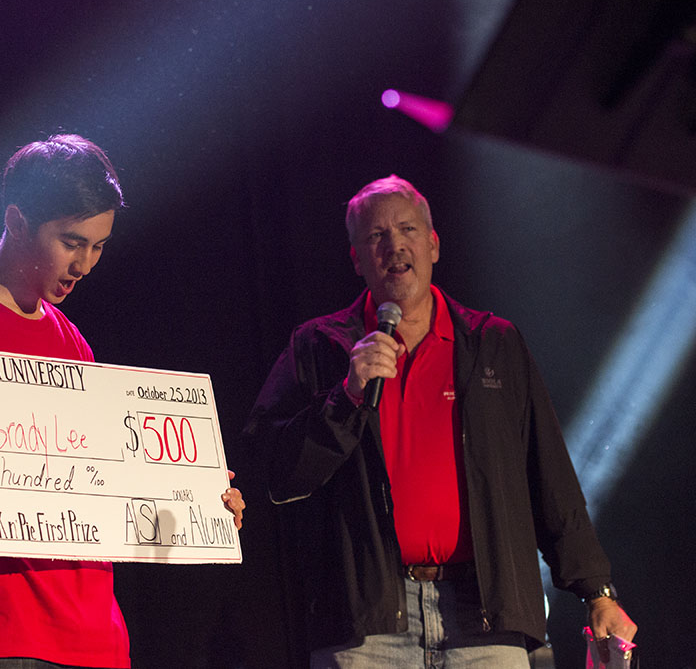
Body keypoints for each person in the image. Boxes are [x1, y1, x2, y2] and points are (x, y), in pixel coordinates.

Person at [0, 134, 245, 669]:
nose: (85, 263)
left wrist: (201, 505)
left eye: (99, 246)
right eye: (72, 241)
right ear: (15, 222)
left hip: (94, 644)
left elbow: (111, 486)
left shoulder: (73, 344)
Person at [244, 175, 635, 667]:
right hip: (367, 631)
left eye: (407, 229)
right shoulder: (319, 347)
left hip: (485, 618)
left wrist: (596, 591)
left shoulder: (494, 343)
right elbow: (271, 469)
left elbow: (549, 477)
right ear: (357, 260)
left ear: (433, 245)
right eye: (376, 236)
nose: (394, 245)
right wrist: (345, 398)